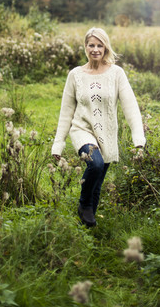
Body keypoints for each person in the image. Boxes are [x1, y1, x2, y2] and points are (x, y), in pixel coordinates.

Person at [52, 27, 146, 227]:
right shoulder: (75, 75)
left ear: (106, 47)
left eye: (99, 45)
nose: (95, 49)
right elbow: (66, 111)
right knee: (94, 164)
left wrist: (138, 138)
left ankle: (87, 230)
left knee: (96, 185)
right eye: (91, 45)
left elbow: (131, 106)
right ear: (85, 47)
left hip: (107, 134)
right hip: (81, 130)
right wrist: (57, 145)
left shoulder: (116, 73)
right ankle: (83, 205)